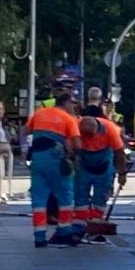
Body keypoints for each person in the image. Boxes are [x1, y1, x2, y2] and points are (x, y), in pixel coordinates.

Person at [26, 93, 81, 247]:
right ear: (66, 103)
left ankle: (39, 236)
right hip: (57, 159)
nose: (74, 106)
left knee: (38, 198)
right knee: (65, 196)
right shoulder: (69, 119)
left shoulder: (39, 113)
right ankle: (64, 231)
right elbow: (76, 144)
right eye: (73, 102)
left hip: (37, 159)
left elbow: (26, 131)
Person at [75, 105, 127, 241]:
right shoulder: (76, 127)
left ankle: (95, 228)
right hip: (83, 166)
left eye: (91, 137)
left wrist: (122, 173)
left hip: (103, 167)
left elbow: (120, 153)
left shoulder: (110, 129)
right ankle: (80, 227)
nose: (89, 140)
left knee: (100, 198)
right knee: (80, 197)